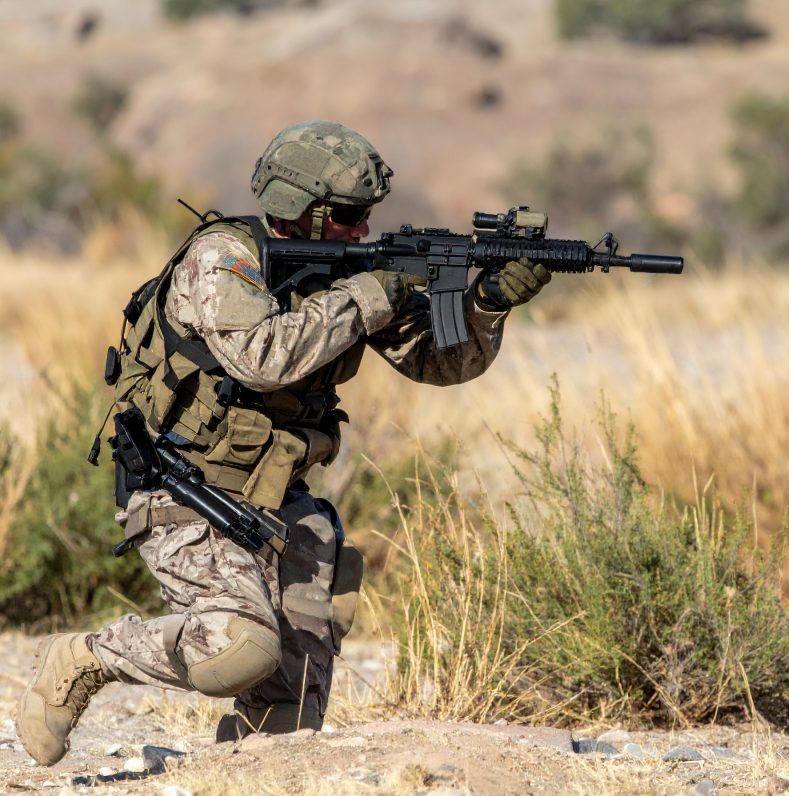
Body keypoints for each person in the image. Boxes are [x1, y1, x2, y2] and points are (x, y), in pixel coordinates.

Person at [16, 120, 550, 766]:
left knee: (289, 718)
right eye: (349, 215)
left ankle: (244, 769)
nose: (361, 230)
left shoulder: (347, 275)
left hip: (278, 503)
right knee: (239, 650)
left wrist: (488, 302)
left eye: (366, 216)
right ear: (304, 209)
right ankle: (87, 657)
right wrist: (370, 293)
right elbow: (259, 357)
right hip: (186, 492)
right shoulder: (223, 258)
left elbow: (440, 363)